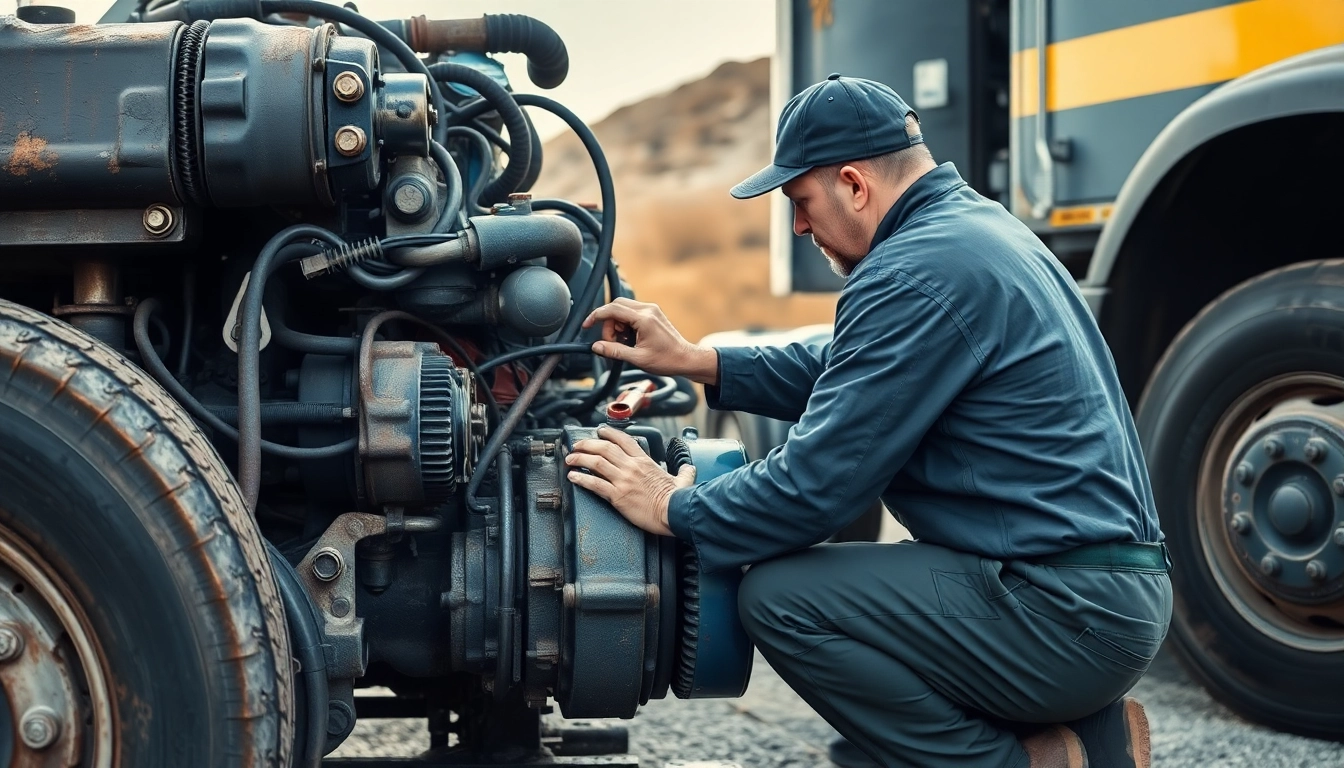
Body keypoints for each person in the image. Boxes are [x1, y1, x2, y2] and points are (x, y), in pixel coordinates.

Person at [564, 74, 1171, 768]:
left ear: (854, 184)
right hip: (1101, 594)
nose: (798, 225)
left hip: (1066, 616)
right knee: (864, 710)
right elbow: (852, 360)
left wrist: (671, 504)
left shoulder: (913, 272)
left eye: (800, 200)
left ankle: (1015, 764)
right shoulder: (975, 231)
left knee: (784, 599)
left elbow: (811, 492)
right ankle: (1091, 744)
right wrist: (702, 361)